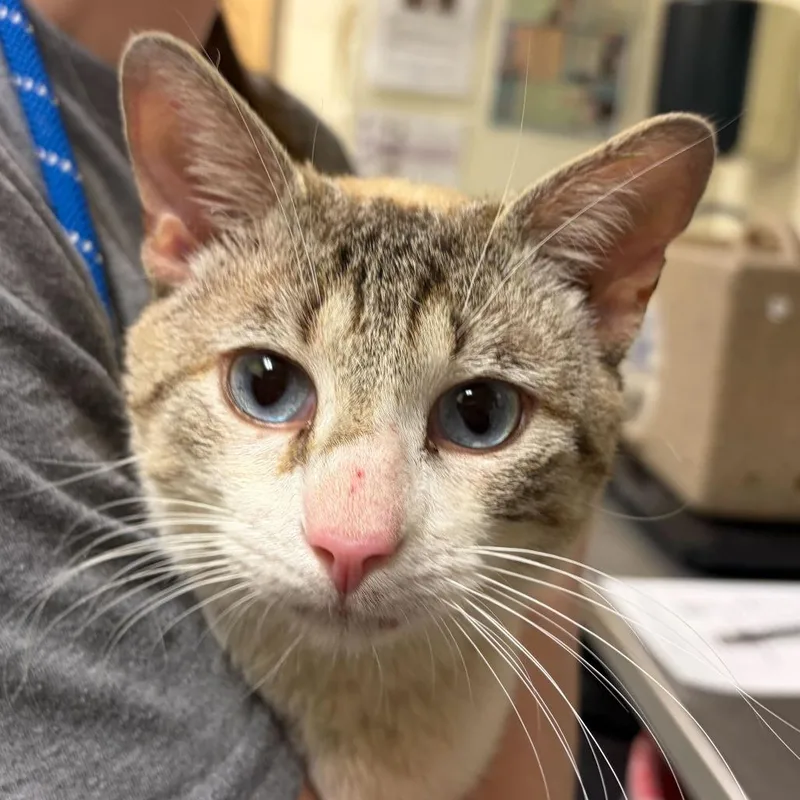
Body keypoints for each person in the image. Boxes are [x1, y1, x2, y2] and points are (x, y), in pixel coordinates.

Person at [0, 2, 583, 798]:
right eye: (267, 384)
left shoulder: (308, 135)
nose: (356, 538)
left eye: (476, 411)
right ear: (180, 240)